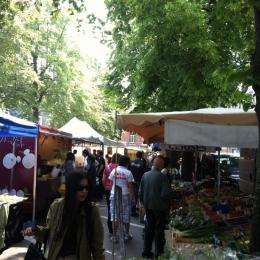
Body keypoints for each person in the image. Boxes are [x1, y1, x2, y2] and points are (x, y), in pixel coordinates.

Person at [22, 171, 105, 259]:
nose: (84, 191)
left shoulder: (92, 211)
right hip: (55, 256)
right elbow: (49, 234)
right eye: (80, 188)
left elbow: (97, 245)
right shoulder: (57, 206)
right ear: (72, 188)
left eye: (86, 187)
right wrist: (35, 231)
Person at [139, 156, 172, 258]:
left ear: (153, 164)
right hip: (160, 208)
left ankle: (146, 251)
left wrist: (144, 203)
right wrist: (168, 206)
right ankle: (158, 253)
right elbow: (165, 194)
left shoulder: (145, 175)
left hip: (148, 206)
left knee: (149, 229)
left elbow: (140, 192)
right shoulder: (163, 177)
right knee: (159, 231)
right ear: (161, 165)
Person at [109, 155, 134, 243]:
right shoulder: (128, 172)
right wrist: (133, 198)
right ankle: (127, 234)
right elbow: (130, 187)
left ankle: (114, 236)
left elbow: (111, 183)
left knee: (114, 216)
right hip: (124, 195)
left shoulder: (113, 171)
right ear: (127, 163)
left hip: (114, 194)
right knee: (126, 215)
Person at [102, 153, 120, 237]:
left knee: (110, 209)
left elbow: (103, 179)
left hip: (108, 190)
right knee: (118, 209)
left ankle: (110, 229)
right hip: (117, 189)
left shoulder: (107, 167)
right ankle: (117, 229)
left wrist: (106, 186)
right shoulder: (119, 168)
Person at [130, 151, 146, 216]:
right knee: (139, 195)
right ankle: (138, 209)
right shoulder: (142, 163)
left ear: (136, 155)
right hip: (139, 181)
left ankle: (133, 209)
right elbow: (144, 172)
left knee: (133, 195)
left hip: (132, 180)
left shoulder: (131, 162)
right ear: (141, 156)